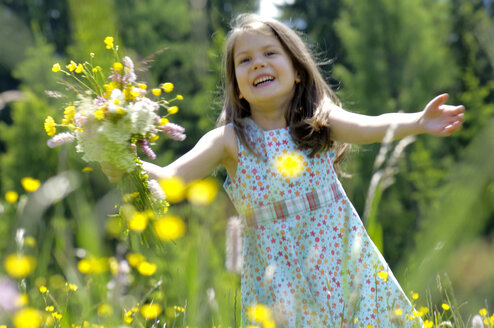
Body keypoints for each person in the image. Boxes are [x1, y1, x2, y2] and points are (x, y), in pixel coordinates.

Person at [103, 13, 464, 328]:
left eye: (270, 53)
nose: (257, 64)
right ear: (238, 88)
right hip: (278, 286)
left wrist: (417, 121)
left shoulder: (318, 120)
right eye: (244, 61)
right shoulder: (230, 140)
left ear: (297, 72)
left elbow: (369, 126)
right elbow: (171, 177)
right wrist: (125, 164)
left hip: (343, 269)